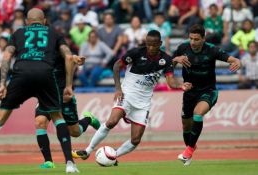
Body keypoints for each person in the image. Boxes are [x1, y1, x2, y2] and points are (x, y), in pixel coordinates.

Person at [0, 8, 79, 174]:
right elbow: (69, 57)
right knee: (57, 117)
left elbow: (6, 57)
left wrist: (2, 83)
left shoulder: (18, 33)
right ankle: (70, 164)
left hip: (21, 74)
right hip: (45, 74)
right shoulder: (53, 32)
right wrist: (69, 86)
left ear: (27, 22)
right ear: (44, 21)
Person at [71, 30, 193, 162]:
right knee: (111, 122)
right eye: (148, 44)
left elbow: (170, 82)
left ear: (160, 43)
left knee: (135, 139)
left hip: (143, 103)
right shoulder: (136, 53)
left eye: (154, 45)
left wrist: (181, 86)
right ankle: (88, 150)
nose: (151, 47)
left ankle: (113, 156)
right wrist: (118, 88)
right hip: (127, 94)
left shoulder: (166, 60)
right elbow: (117, 65)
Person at [172, 24, 241, 166]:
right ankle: (190, 147)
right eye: (191, 38)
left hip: (208, 91)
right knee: (186, 126)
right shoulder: (182, 48)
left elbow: (233, 59)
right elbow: (168, 67)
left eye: (196, 39)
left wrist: (237, 61)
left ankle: (189, 150)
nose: (192, 42)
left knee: (198, 114)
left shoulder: (212, 50)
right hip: (189, 92)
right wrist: (175, 60)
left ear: (203, 39)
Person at [34, 38, 100, 169]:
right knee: (40, 122)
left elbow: (73, 58)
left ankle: (88, 118)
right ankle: (48, 161)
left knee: (75, 132)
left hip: (65, 97)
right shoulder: (37, 55)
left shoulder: (61, 53)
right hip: (46, 97)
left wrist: (78, 60)